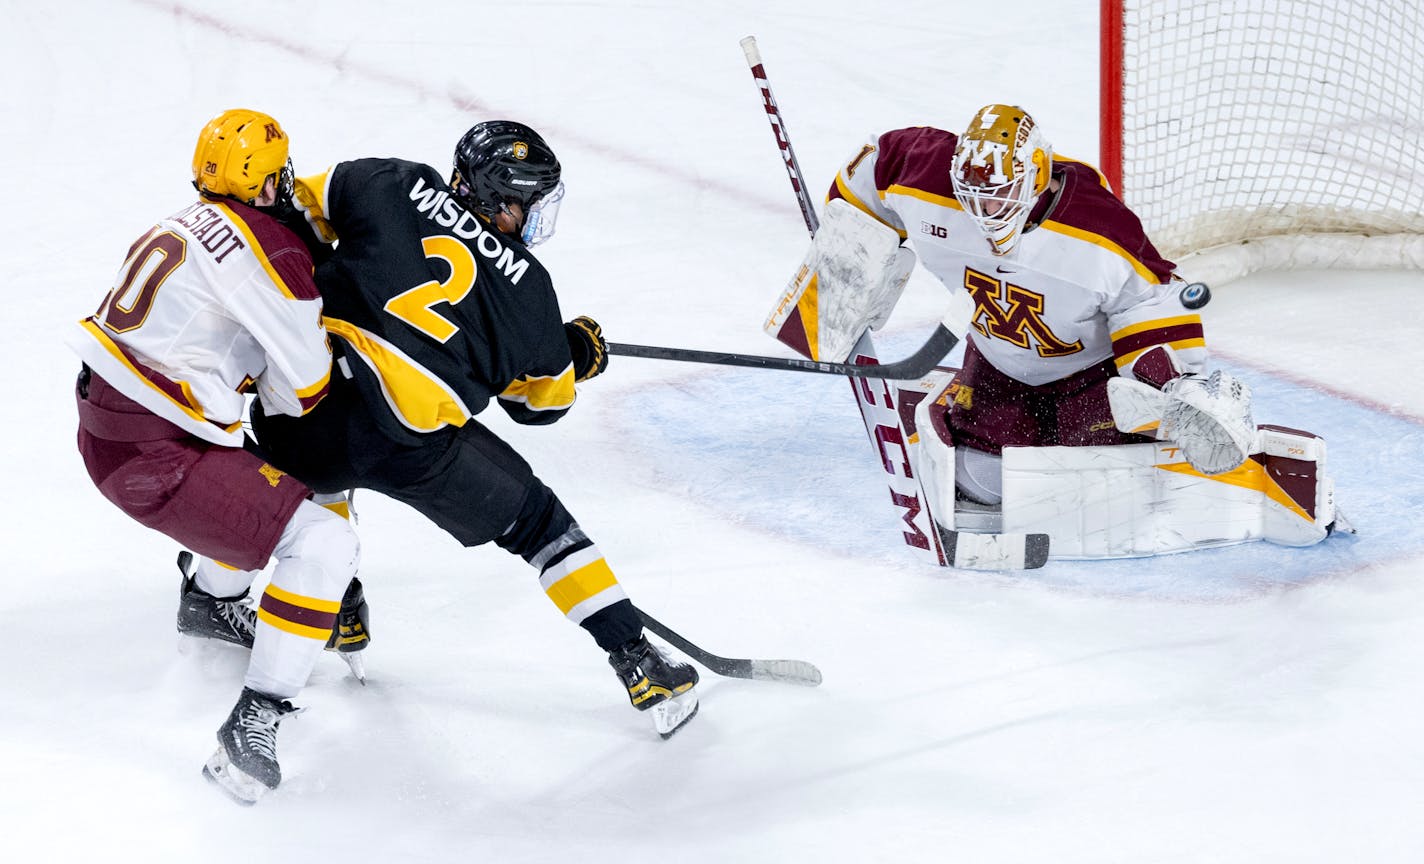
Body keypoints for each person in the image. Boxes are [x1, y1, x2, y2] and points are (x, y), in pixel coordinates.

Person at [232, 119, 700, 738]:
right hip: (409, 446)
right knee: (541, 526)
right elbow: (539, 406)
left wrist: (357, 279)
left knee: (321, 467)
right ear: (503, 200)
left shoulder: (385, 181)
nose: (534, 219)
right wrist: (571, 353)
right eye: (530, 204)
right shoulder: (531, 292)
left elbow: (297, 219)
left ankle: (336, 603)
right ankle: (639, 662)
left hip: (298, 410)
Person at [68, 108, 362, 805]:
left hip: (111, 426)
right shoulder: (275, 251)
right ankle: (254, 723)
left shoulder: (180, 221)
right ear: (265, 184)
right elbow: (304, 395)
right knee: (324, 542)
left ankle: (212, 602)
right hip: (152, 455)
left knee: (265, 481)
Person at [817, 103, 1251, 506]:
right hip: (997, 360)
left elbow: (1148, 303)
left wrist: (1173, 384)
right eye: (972, 195)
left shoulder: (1099, 229)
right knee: (980, 479)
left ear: (1037, 174)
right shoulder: (923, 177)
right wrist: (848, 242)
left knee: (1095, 481)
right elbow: (874, 168)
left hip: (1088, 371)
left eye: (1002, 194)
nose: (986, 211)